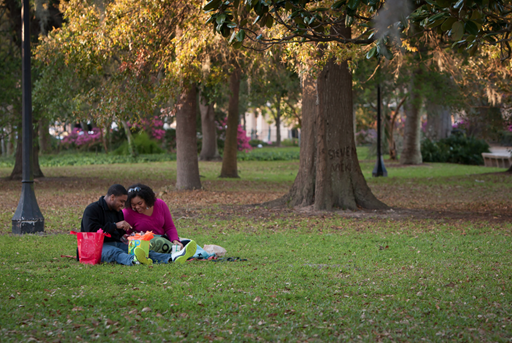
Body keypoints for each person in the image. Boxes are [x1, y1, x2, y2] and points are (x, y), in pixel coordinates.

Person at [80, 184, 196, 265]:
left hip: (115, 243)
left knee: (141, 250)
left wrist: (127, 236)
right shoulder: (92, 209)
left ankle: (172, 258)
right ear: (112, 197)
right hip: (93, 247)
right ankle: (135, 261)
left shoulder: (118, 212)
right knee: (115, 253)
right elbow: (92, 231)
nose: (122, 205)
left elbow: (120, 234)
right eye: (121, 201)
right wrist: (116, 225)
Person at [123, 183, 186, 253]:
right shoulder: (127, 212)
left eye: (140, 203)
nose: (137, 207)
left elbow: (169, 227)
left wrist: (175, 240)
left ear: (147, 199)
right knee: (158, 242)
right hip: (144, 243)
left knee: (185, 242)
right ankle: (178, 252)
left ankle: (179, 250)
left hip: (163, 239)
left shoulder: (160, 204)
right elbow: (127, 235)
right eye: (133, 205)